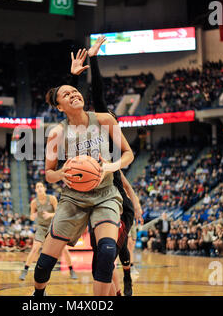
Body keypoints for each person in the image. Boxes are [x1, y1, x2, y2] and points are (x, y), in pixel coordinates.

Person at [33, 47, 134, 296]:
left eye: (75, 91)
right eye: (66, 94)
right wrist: (61, 173)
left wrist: (110, 166)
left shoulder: (105, 120)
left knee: (108, 250)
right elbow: (48, 173)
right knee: (45, 262)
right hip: (73, 198)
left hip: (106, 194)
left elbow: (128, 154)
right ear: (59, 107)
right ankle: (38, 295)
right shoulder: (57, 133)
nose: (73, 94)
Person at [69, 38, 143, 295]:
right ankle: (119, 291)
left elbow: (97, 96)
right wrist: (74, 78)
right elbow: (70, 106)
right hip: (98, 203)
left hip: (119, 206)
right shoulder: (83, 140)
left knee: (107, 255)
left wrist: (94, 59)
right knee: (99, 264)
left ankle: (127, 278)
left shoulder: (107, 136)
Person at [19, 182, 77, 280]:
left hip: (54, 226)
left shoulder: (51, 198)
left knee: (64, 249)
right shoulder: (34, 202)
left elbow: (59, 212)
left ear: (44, 188)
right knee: (35, 248)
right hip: (42, 227)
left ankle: (71, 270)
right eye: (37, 187)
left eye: (41, 186)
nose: (39, 188)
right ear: (36, 190)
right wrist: (33, 216)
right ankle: (25, 270)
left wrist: (50, 215)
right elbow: (32, 217)